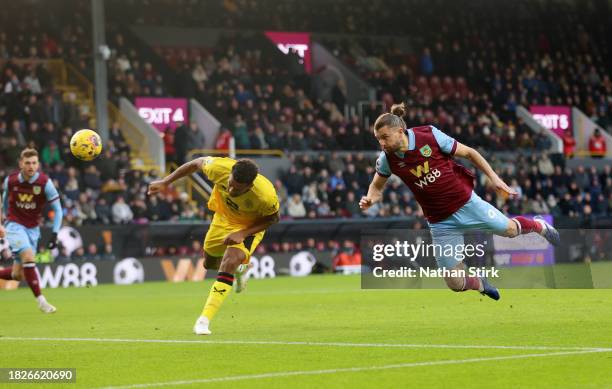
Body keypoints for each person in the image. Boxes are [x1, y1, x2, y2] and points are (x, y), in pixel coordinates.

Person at [359, 103, 560, 300]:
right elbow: (377, 186)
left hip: (467, 204)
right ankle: (480, 283)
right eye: (378, 139)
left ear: (400, 131)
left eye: (385, 137)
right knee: (454, 283)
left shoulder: (429, 135)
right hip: (440, 222)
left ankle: (538, 225)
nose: (382, 144)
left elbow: (470, 153)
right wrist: (370, 199)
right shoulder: (386, 159)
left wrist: (494, 178)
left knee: (510, 230)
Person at [148, 157, 279, 335]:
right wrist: (166, 181)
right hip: (222, 219)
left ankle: (203, 321)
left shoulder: (265, 195)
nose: (231, 190)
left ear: (249, 186)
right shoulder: (219, 168)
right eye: (230, 184)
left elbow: (273, 218)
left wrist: (242, 234)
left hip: (248, 227)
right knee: (209, 263)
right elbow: (195, 164)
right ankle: (240, 269)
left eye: (238, 189)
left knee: (229, 261)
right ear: (230, 173)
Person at [0, 148, 63, 313]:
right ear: (21, 163)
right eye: (27, 163)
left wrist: (55, 233)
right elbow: (4, 201)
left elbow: (58, 209)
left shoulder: (44, 183)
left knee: (17, 275)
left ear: (38, 164)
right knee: (28, 257)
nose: (31, 166)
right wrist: (3, 222)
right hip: (14, 225)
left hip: (33, 229)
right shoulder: (11, 181)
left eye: (34, 163)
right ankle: (42, 302)